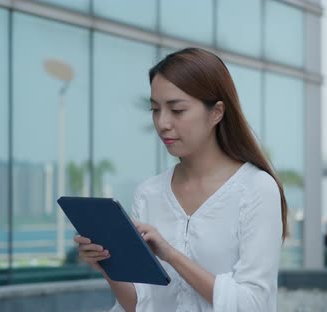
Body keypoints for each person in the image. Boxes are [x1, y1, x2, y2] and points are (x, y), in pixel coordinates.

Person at [74, 47, 287, 312]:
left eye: (177, 110)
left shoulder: (256, 189)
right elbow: (140, 304)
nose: (162, 123)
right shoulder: (148, 194)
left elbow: (253, 304)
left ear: (217, 112)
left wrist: (171, 255)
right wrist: (108, 265)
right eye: (155, 109)